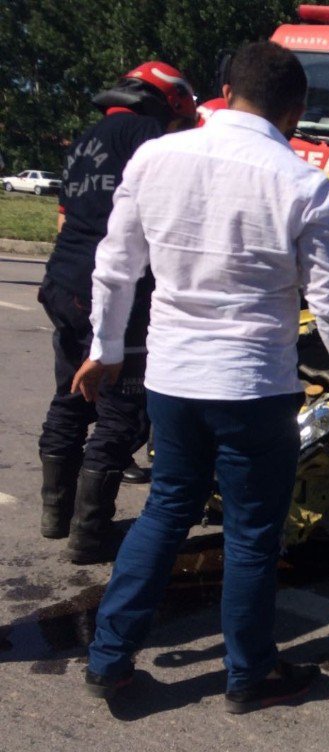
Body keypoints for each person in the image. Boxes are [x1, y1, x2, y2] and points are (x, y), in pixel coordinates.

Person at [71, 40, 329, 713]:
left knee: (165, 509)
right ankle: (248, 676)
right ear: (294, 112)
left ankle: (108, 660)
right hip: (255, 386)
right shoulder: (302, 183)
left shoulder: (156, 157)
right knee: (250, 534)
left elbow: (116, 265)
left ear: (225, 89)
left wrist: (105, 347)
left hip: (174, 378)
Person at [38, 62, 198, 564]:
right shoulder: (151, 137)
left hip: (62, 280)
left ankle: (55, 515)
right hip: (111, 288)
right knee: (121, 412)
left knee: (71, 394)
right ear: (171, 103)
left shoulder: (88, 139)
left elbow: (71, 211)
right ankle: (89, 536)